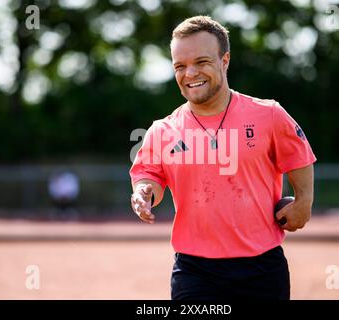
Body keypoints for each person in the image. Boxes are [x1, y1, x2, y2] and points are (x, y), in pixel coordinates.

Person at [129, 16, 316, 300]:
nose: (190, 73)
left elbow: (298, 156)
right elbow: (149, 176)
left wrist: (304, 201)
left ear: (225, 60)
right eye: (180, 66)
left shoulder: (269, 115)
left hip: (262, 267)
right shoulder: (162, 130)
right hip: (194, 271)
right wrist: (143, 193)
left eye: (201, 62)